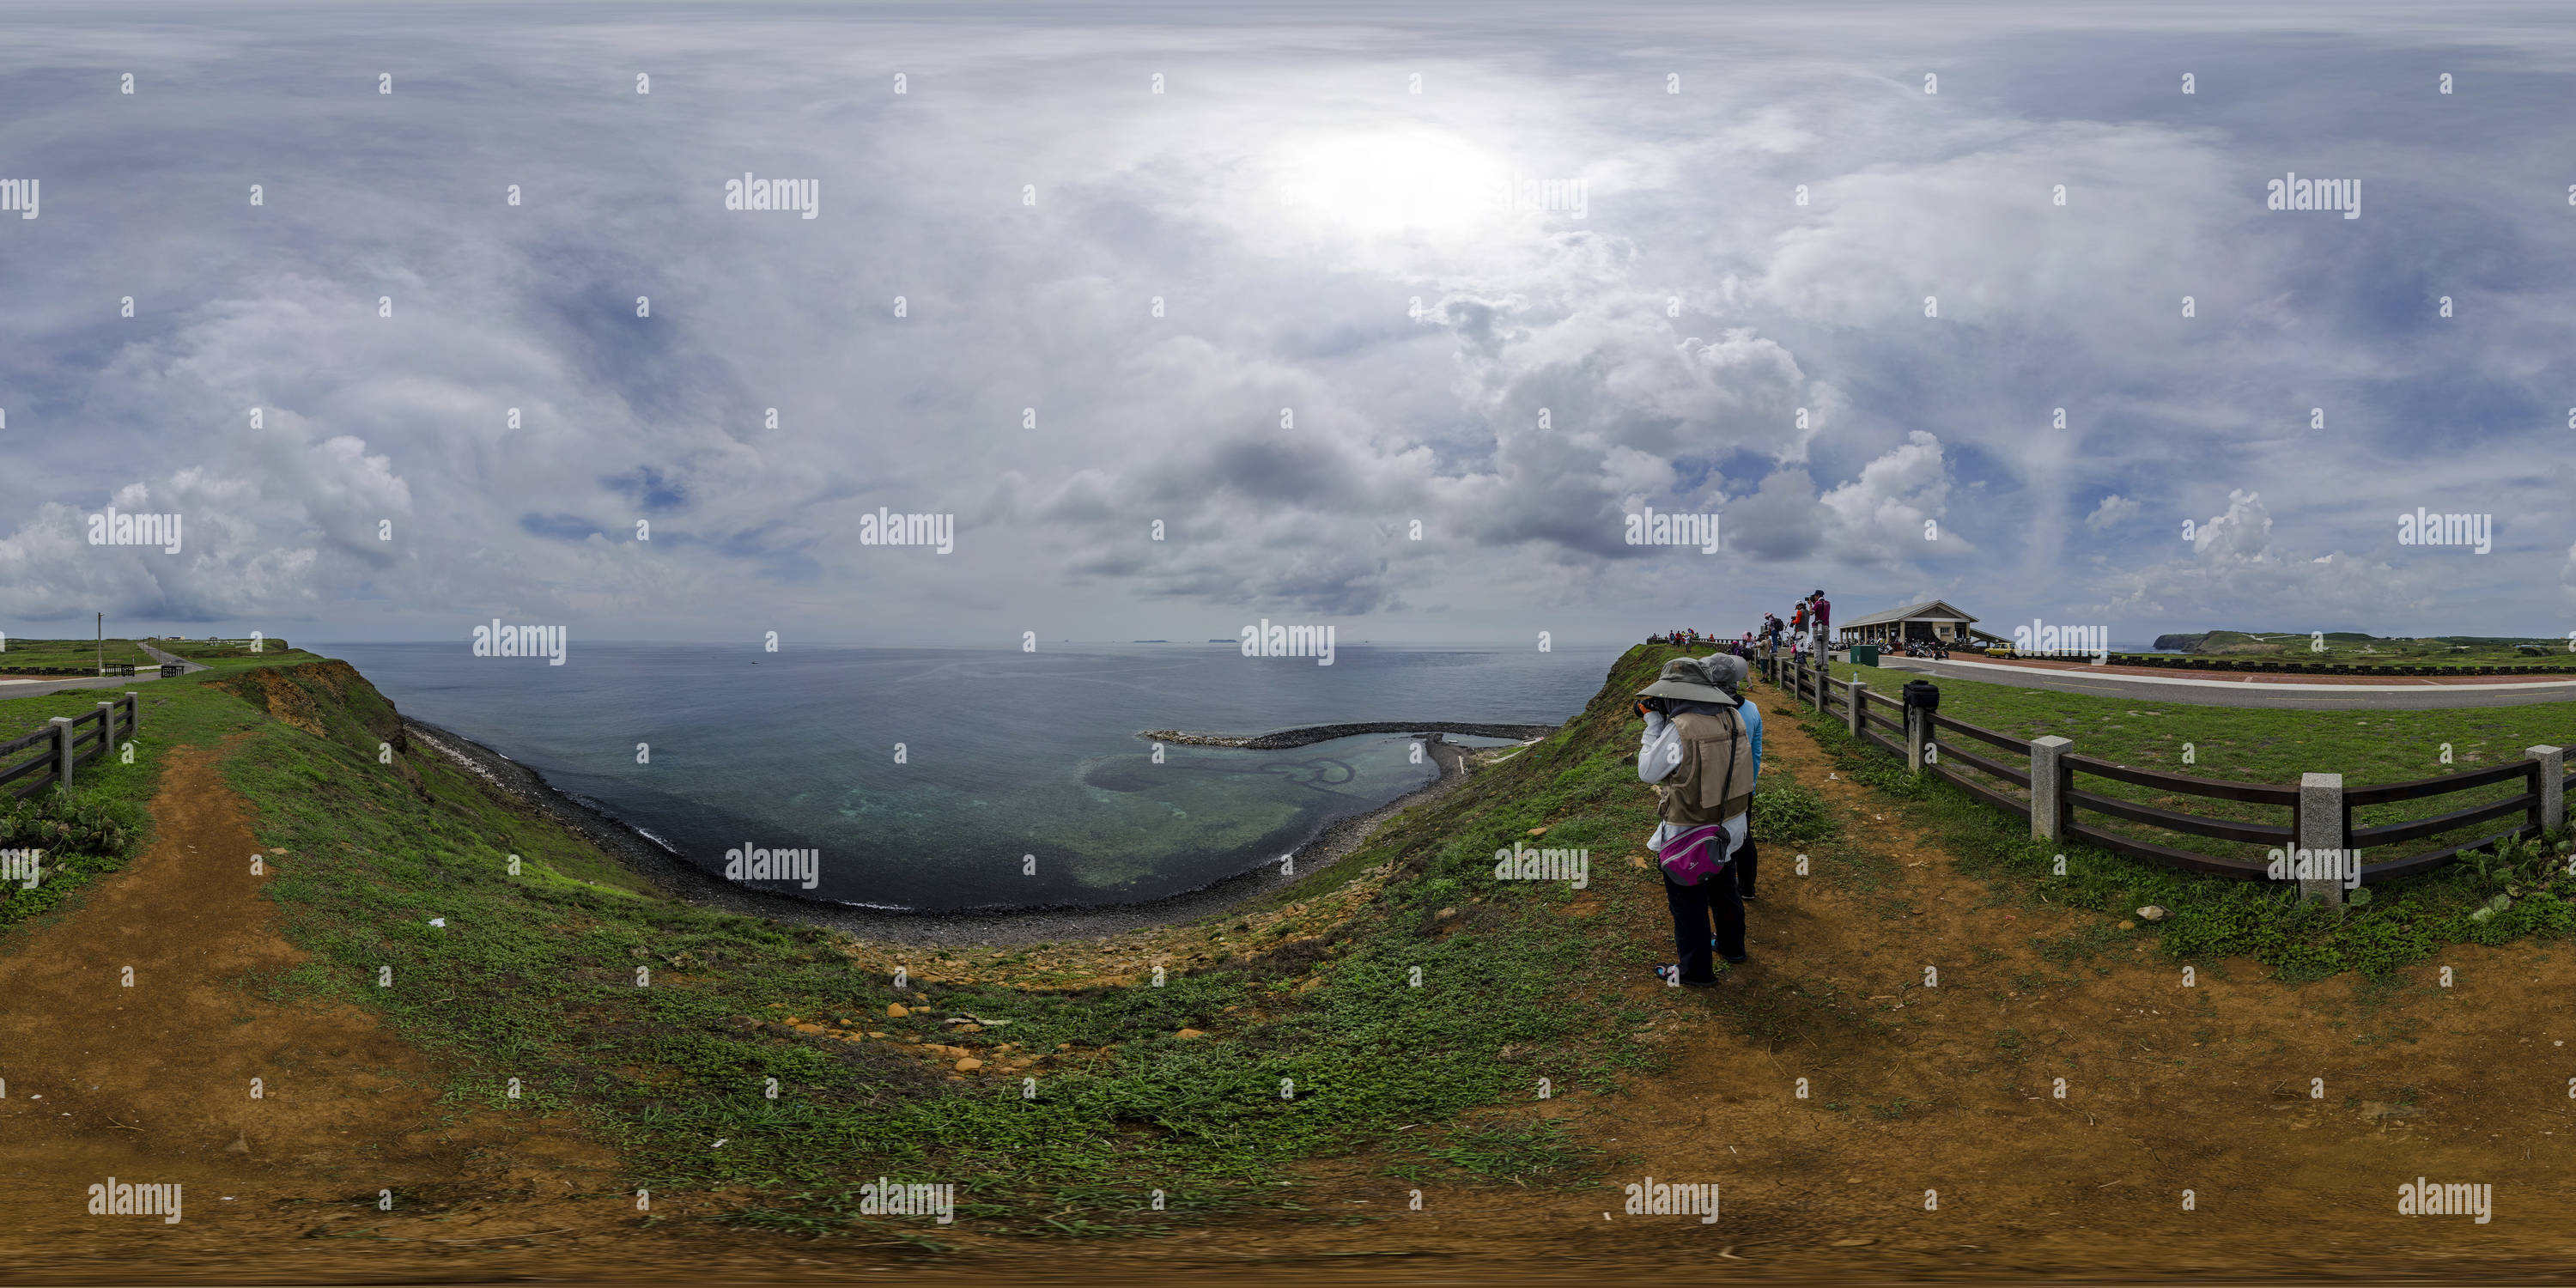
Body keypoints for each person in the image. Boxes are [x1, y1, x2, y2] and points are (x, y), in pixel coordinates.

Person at [1634, 653, 1763, 986]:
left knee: (1688, 904)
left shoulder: (1682, 728)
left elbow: (1648, 772)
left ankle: (1695, 973)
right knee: (1724, 889)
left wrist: (1653, 726)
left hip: (1691, 836)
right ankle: (1733, 948)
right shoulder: (1734, 716)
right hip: (1731, 826)